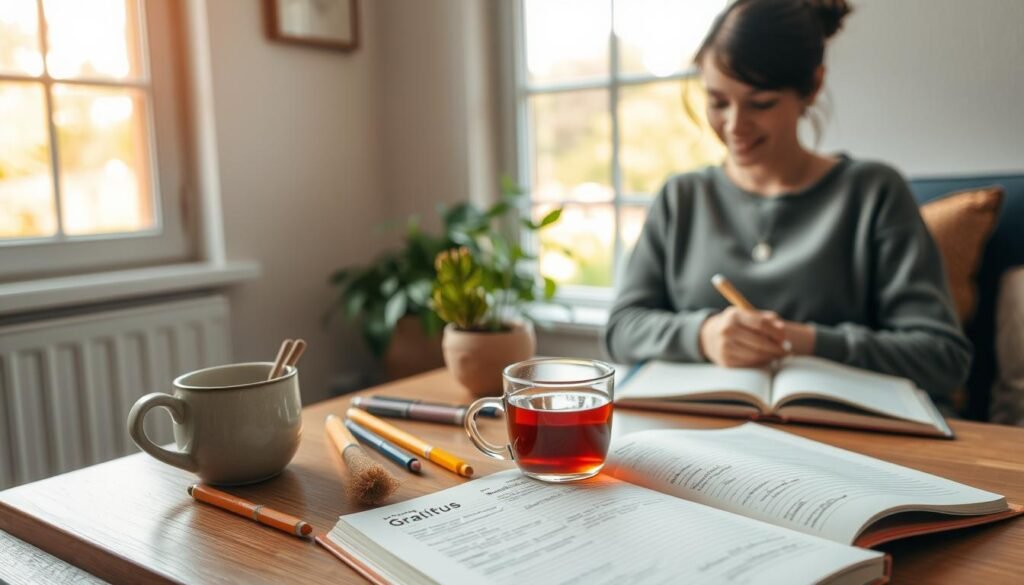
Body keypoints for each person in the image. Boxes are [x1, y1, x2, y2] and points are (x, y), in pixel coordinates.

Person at [603, 0, 971, 406]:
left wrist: (806, 341)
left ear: (812, 87)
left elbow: (943, 357)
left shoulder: (873, 193)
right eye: (717, 101)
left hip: (843, 443)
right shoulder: (682, 197)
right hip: (696, 437)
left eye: (760, 103)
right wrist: (703, 335)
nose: (735, 125)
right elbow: (622, 328)